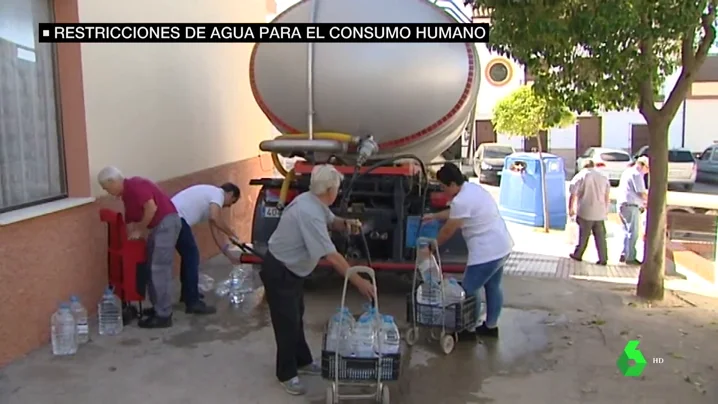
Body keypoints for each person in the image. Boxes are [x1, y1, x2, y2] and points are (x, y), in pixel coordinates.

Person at [261, 164, 376, 396]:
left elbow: (332, 220)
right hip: (280, 270)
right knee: (286, 322)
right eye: (338, 188)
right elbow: (333, 257)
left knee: (296, 315)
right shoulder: (309, 213)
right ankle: (286, 374)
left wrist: (346, 223)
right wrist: (360, 281)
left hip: (292, 270)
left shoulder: (314, 201)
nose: (339, 192)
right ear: (330, 189)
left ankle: (302, 361)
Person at [422, 163, 514, 340]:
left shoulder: (460, 200)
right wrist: (433, 216)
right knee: (493, 286)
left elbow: (449, 230)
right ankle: (491, 326)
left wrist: (431, 248)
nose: (442, 191)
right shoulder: (472, 189)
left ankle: (468, 330)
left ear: (452, 185)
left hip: (486, 253)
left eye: (443, 187)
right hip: (502, 246)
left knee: (469, 290)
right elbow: (455, 214)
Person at [97, 166, 181, 329]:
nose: (108, 192)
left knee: (159, 269)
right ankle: (158, 308)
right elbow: (132, 221)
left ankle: (164, 315)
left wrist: (140, 230)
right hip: (157, 226)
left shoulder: (135, 185)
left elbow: (151, 208)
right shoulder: (126, 195)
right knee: (150, 267)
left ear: (112, 181)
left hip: (165, 224)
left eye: (107, 188)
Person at [169, 183, 242, 315]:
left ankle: (188, 295)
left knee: (189, 256)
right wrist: (231, 233)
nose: (228, 206)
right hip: (176, 218)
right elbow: (216, 218)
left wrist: (229, 255)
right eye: (231, 202)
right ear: (230, 194)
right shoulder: (217, 194)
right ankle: (193, 302)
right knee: (192, 257)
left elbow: (215, 230)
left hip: (173, 217)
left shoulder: (211, 199)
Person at [568, 160, 611, 265]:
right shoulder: (603, 176)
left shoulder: (581, 175)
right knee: (601, 237)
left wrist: (571, 209)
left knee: (583, 235)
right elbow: (607, 195)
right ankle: (603, 258)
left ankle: (578, 254)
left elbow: (573, 193)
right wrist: (606, 209)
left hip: (585, 210)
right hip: (600, 212)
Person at [616, 156, 649, 265]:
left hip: (622, 204)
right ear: (642, 165)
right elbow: (641, 192)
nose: (647, 171)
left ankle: (624, 253)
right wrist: (649, 201)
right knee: (632, 232)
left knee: (625, 231)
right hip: (631, 205)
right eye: (647, 168)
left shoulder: (627, 172)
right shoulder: (636, 174)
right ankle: (630, 257)